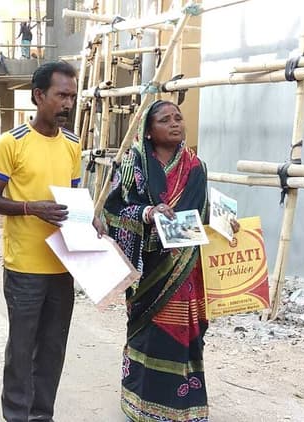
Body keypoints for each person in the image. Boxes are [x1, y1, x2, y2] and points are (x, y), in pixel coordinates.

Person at [102, 100, 239, 422]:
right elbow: (114, 210)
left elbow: (203, 211)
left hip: (187, 268)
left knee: (185, 332)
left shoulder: (196, 166)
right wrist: (148, 213)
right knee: (151, 333)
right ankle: (140, 404)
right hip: (150, 268)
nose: (175, 123)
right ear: (148, 131)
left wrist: (226, 221)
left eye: (178, 118)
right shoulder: (134, 164)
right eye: (165, 120)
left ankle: (185, 407)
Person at [0, 61, 103, 422]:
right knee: (21, 350)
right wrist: (30, 208)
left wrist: (90, 217)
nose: (68, 103)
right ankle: (16, 416)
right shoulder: (11, 143)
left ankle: (41, 416)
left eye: (72, 96)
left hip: (63, 263)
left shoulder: (72, 144)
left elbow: (73, 195)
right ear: (38, 96)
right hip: (24, 266)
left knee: (52, 348)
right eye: (61, 95)